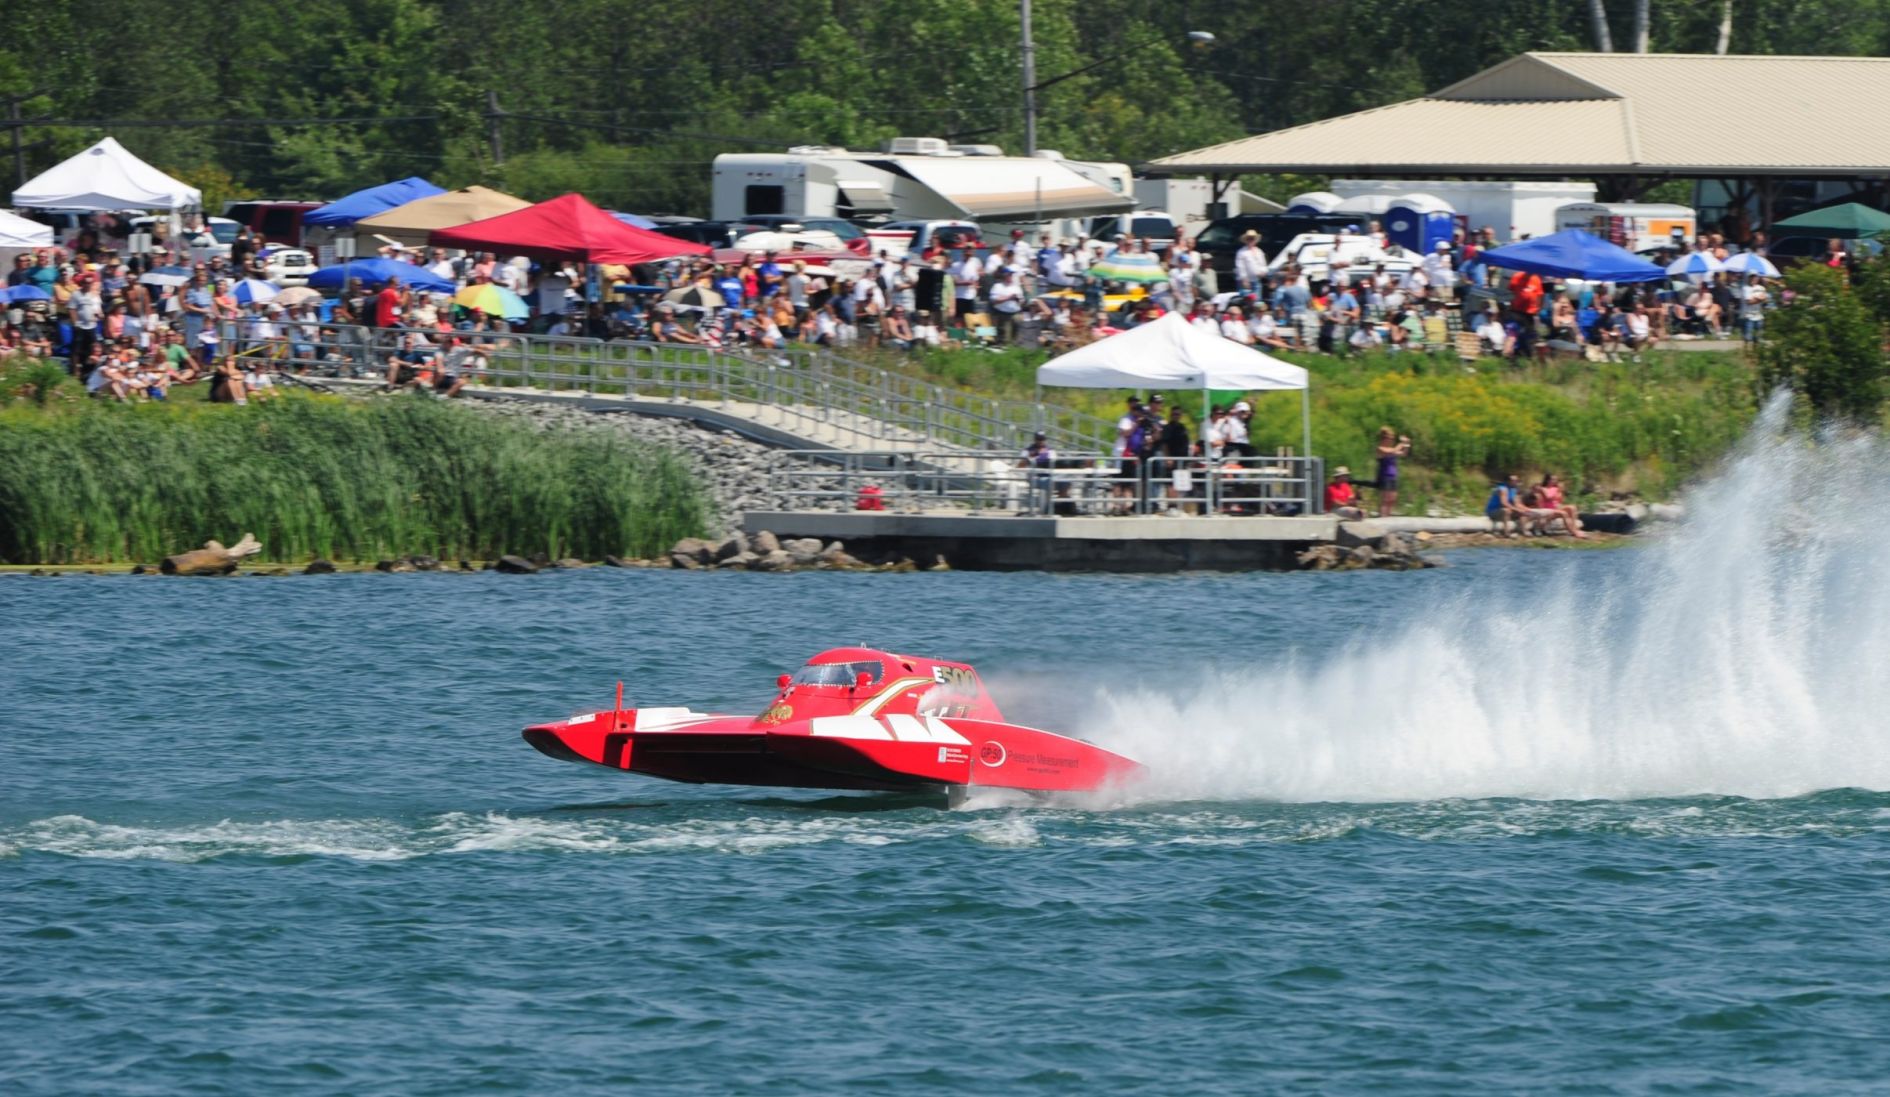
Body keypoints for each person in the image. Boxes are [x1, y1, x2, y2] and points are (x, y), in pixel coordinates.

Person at [1374, 426, 1411, 517]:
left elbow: (1404, 453)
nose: (1391, 440)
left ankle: (1388, 516)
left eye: (1392, 438)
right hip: (1384, 476)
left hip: (1393, 476)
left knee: (1392, 499)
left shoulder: (1392, 450)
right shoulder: (1380, 448)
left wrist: (1407, 443)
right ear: (1384, 438)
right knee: (1385, 499)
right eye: (1390, 438)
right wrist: (1402, 443)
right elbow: (1393, 451)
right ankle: (1382, 517)